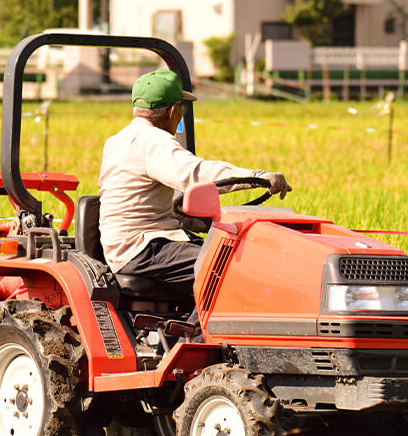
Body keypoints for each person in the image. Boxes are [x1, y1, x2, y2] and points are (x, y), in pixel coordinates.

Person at [97, 69, 291, 299]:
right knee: (227, 270)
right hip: (143, 247)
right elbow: (197, 175)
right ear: (172, 111)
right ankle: (197, 335)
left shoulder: (117, 140)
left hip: (131, 244)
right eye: (181, 108)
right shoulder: (155, 142)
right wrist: (258, 177)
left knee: (222, 255)